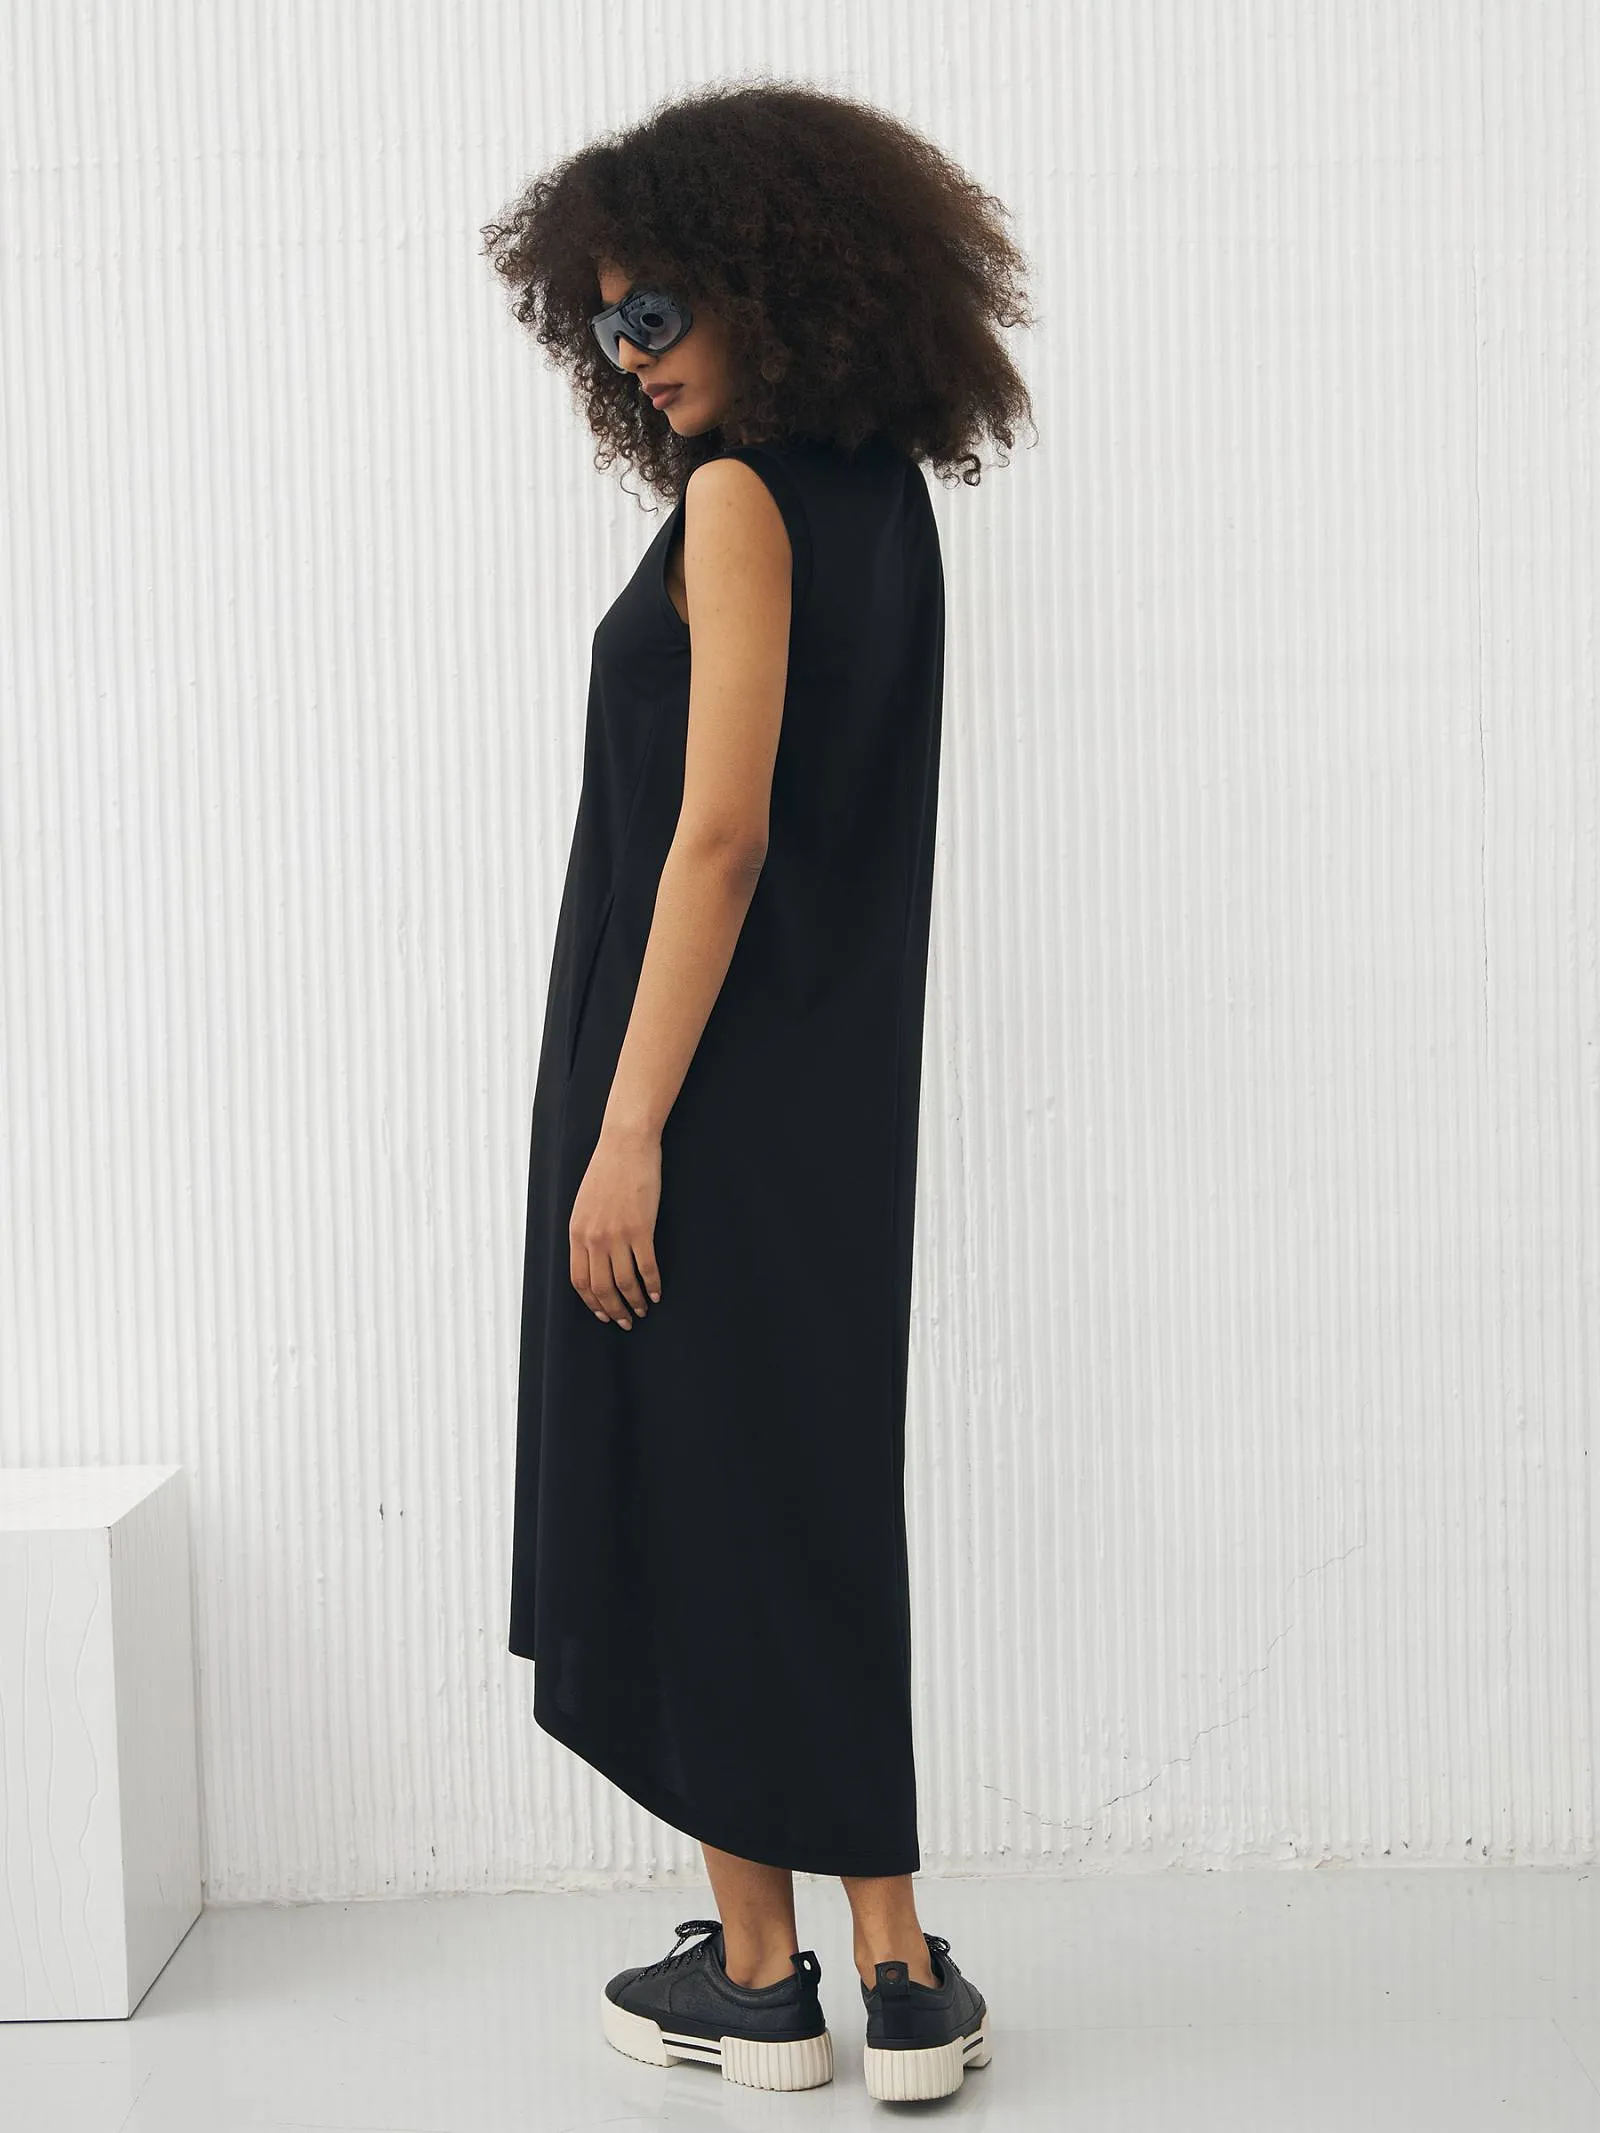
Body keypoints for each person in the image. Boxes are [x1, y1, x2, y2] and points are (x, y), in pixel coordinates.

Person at [482, 79, 1033, 2103]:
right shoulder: (881, 504)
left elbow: (715, 841)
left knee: (693, 1505)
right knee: (810, 1500)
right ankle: (900, 1977)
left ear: (768, 290)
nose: (630, 355)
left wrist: (626, 1128)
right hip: (830, 1104)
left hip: (692, 1092)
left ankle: (756, 1974)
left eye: (655, 313)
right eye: (605, 325)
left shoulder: (735, 503)